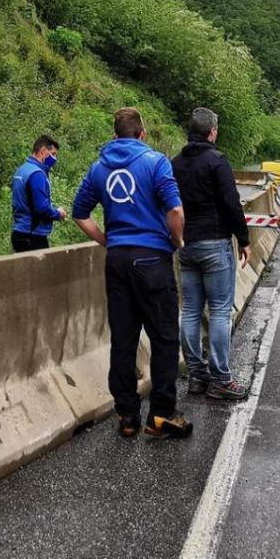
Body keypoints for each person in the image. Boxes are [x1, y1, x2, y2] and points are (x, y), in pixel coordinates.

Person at [72, 108, 193, 440]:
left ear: (115, 136)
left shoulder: (99, 167)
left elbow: (80, 213)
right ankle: (162, 414)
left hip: (118, 261)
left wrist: (108, 240)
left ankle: (127, 414)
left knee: (123, 339)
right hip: (152, 259)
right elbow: (175, 210)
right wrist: (177, 240)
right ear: (143, 134)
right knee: (164, 338)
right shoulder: (156, 163)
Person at [172, 107, 253, 401]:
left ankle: (196, 375)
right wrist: (244, 239)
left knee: (191, 310)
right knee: (219, 310)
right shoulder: (217, 161)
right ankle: (220, 378)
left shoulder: (175, 164)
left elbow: (170, 204)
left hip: (187, 245)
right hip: (215, 244)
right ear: (213, 132)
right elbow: (232, 204)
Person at [10, 135, 62, 252]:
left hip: (19, 232)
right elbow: (41, 208)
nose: (54, 159)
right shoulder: (37, 174)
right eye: (53, 154)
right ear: (43, 151)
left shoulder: (22, 170)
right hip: (32, 236)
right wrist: (58, 214)